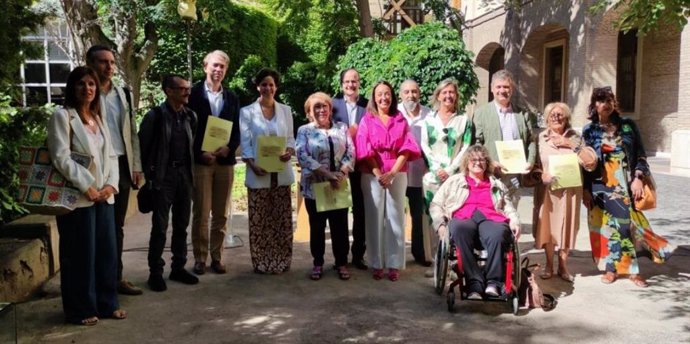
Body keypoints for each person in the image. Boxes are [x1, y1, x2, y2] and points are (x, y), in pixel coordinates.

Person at [47, 66, 126, 325]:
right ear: (72, 87)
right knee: (79, 256)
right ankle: (81, 309)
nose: (87, 88)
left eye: (91, 84)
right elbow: (61, 157)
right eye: (81, 84)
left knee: (106, 253)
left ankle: (107, 304)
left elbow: (111, 155)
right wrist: (87, 186)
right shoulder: (63, 116)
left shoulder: (97, 118)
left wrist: (111, 186)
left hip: (104, 197)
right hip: (79, 199)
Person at [582, 87, 673, 288]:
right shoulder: (589, 131)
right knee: (605, 227)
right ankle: (612, 269)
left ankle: (630, 269)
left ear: (614, 103)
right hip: (599, 185)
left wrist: (638, 177)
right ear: (594, 105)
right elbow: (585, 163)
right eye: (600, 100)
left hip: (624, 183)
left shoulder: (627, 126)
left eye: (608, 100)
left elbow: (640, 155)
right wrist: (585, 189)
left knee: (624, 225)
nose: (604, 104)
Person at [85, 45, 144, 295]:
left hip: (120, 165)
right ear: (90, 63)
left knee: (116, 226)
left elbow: (131, 131)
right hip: (94, 168)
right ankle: (94, 282)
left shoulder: (123, 94)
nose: (109, 67)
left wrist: (136, 166)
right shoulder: (85, 93)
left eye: (111, 62)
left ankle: (115, 278)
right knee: (95, 226)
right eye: (102, 62)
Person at [429, 145, 520, 299]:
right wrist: (440, 225)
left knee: (498, 233)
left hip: (491, 217)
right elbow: (436, 204)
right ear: (466, 162)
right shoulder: (454, 181)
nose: (477, 162)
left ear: (487, 163)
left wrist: (515, 222)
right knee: (458, 229)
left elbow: (509, 207)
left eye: (482, 159)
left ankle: (493, 282)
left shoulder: (496, 184)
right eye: (473, 159)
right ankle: (474, 282)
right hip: (464, 217)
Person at [355, 81, 421, 281]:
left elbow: (407, 147)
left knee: (396, 218)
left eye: (387, 94)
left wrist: (392, 173)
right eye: (379, 94)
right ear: (374, 98)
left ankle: (393, 264)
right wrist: (378, 174)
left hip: (397, 172)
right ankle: (376, 263)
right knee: (374, 218)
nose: (384, 98)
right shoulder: (367, 119)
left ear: (392, 96)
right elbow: (364, 148)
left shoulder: (399, 118)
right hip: (372, 172)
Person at [139, 74, 199, 291]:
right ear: (168, 91)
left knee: (182, 225)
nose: (187, 92)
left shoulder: (190, 116)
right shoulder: (154, 116)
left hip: (185, 176)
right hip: (163, 178)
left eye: (188, 88)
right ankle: (155, 272)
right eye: (182, 88)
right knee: (160, 228)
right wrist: (149, 176)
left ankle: (178, 268)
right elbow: (143, 148)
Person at [188, 50, 241, 275]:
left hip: (225, 162)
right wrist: (198, 153)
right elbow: (186, 129)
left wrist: (229, 148)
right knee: (201, 211)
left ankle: (217, 257)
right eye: (215, 65)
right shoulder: (192, 94)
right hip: (201, 161)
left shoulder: (232, 97)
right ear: (205, 66)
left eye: (222, 67)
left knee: (221, 213)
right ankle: (200, 258)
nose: (218, 70)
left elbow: (237, 128)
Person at [239, 68, 295, 274]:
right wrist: (253, 165)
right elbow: (245, 145)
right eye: (264, 84)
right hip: (259, 172)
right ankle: (261, 261)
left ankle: (282, 260)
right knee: (259, 220)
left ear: (276, 87)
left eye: (271, 84)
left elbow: (290, 138)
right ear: (258, 87)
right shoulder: (246, 112)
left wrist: (289, 151)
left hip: (280, 173)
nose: (268, 88)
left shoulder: (286, 111)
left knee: (281, 220)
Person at [535, 102, 597, 282]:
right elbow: (534, 165)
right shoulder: (540, 138)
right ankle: (549, 264)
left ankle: (563, 266)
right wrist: (541, 175)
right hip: (549, 191)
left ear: (567, 118)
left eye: (560, 114)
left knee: (567, 228)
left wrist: (569, 144)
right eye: (552, 115)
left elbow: (590, 163)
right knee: (548, 228)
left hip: (571, 191)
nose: (556, 117)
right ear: (547, 119)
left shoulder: (576, 137)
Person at [296, 92, 355, 280]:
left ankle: (341, 262)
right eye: (317, 107)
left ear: (330, 109)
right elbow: (303, 156)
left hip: (338, 185)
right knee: (317, 227)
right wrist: (327, 174)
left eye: (324, 106)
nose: (321, 110)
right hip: (315, 187)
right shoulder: (304, 131)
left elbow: (351, 151)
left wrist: (342, 172)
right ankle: (318, 262)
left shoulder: (341, 128)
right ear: (309, 112)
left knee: (340, 226)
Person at [472, 70, 536, 203]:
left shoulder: (522, 114)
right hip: (491, 173)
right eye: (498, 87)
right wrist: (490, 161)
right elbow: (477, 143)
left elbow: (531, 140)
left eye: (506, 87)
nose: (502, 90)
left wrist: (530, 161)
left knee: (512, 213)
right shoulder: (481, 113)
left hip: (515, 176)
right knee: (492, 214)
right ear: (492, 89)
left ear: (512, 89)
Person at [421, 78, 474, 239]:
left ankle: (452, 253)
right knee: (432, 215)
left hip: (455, 176)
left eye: (451, 92)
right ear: (438, 96)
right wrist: (437, 169)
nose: (448, 96)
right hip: (432, 177)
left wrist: (450, 170)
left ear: (456, 96)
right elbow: (425, 146)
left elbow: (466, 147)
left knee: (454, 213)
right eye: (444, 92)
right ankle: (431, 256)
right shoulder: (429, 120)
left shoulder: (464, 121)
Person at [332, 68, 369, 270]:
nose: (350, 85)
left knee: (360, 212)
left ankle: (358, 255)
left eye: (354, 81)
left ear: (359, 83)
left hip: (362, 166)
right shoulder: (333, 104)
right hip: (340, 166)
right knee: (340, 211)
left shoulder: (367, 105)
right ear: (341, 84)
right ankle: (341, 257)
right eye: (347, 81)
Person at [397, 79, 432, 266]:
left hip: (421, 172)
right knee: (396, 215)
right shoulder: (395, 113)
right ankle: (396, 254)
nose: (411, 95)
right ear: (400, 94)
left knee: (419, 215)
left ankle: (420, 253)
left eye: (414, 91)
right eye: (407, 92)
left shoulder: (429, 114)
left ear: (419, 93)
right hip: (399, 172)